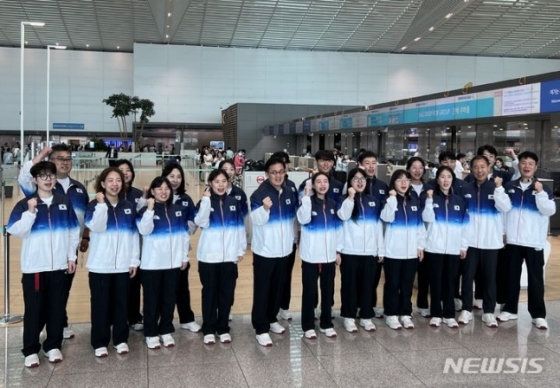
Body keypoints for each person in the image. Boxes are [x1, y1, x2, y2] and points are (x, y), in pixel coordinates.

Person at [7, 161, 80, 367]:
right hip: (35, 268)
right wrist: (30, 213)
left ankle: (53, 345)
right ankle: (30, 349)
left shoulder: (63, 201)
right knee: (35, 308)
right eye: (43, 176)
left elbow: (73, 231)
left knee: (56, 307)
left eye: (51, 175)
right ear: (35, 180)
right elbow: (15, 230)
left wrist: (71, 257)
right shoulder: (26, 204)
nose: (48, 179)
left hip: (58, 266)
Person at [19, 145, 90, 340]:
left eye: (68, 158)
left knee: (63, 288)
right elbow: (24, 178)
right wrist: (38, 157)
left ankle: (60, 322)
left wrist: (85, 237)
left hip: (69, 247)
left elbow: (84, 217)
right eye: (60, 158)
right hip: (43, 251)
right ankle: (40, 327)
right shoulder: (40, 184)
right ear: (51, 161)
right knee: (41, 293)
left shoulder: (78, 188)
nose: (65, 162)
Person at [494, 151, 556, 330]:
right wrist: (504, 232)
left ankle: (538, 315)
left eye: (530, 163)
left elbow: (549, 211)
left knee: (535, 280)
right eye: (523, 162)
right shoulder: (510, 186)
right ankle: (510, 309)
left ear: (535, 167)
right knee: (511, 277)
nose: (526, 166)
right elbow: (503, 209)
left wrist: (541, 193)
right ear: (519, 165)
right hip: (512, 241)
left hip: (534, 242)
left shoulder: (543, 189)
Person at [85, 168, 140, 357]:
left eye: (118, 180)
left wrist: (134, 260)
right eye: (110, 180)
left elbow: (134, 235)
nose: (115, 184)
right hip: (100, 265)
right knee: (100, 304)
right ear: (102, 184)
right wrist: (101, 205)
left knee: (121, 303)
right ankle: (100, 341)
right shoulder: (93, 206)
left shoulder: (129, 206)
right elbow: (96, 227)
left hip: (123, 265)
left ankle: (120, 339)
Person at [194, 169, 246, 344]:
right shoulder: (204, 202)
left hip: (229, 257)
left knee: (226, 293)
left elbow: (240, 227)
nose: (221, 185)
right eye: (216, 181)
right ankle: (208, 328)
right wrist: (206, 201)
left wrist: (240, 249)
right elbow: (201, 222)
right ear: (210, 183)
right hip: (209, 257)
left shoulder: (233, 202)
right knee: (209, 293)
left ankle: (223, 327)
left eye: (224, 181)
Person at [137, 177, 190, 349]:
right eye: (159, 188)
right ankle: (151, 332)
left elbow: (184, 236)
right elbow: (144, 230)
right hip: (151, 265)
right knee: (151, 300)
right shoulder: (144, 211)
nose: (163, 191)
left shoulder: (178, 210)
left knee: (169, 298)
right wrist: (150, 210)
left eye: (166, 188)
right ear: (152, 192)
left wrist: (184, 258)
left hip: (173, 264)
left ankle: (165, 329)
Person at [250, 157, 297, 347]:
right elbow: (256, 220)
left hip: (284, 250)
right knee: (262, 290)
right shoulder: (259, 194)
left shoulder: (288, 192)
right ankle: (261, 327)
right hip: (265, 251)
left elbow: (294, 218)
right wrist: (265, 208)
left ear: (285, 172)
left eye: (281, 172)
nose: (278, 175)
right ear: (267, 175)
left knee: (278, 288)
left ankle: (271, 318)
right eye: (273, 172)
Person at [458, 156, 507, 328]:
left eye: (483, 167)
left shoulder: (496, 188)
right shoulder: (465, 188)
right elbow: (461, 215)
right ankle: (466, 309)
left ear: (489, 168)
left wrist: (499, 189)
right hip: (470, 242)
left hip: (490, 242)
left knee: (489, 278)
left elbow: (505, 208)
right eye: (476, 167)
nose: (479, 170)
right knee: (467, 276)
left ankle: (488, 312)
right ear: (471, 169)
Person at [337, 167, 384, 333]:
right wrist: (350, 198)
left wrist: (380, 250)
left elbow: (378, 227)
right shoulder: (343, 200)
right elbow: (342, 217)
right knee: (349, 285)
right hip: (349, 251)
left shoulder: (374, 201)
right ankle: (349, 317)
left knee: (367, 285)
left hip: (369, 252)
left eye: (362, 179)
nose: (359, 181)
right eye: (356, 178)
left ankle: (366, 316)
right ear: (350, 182)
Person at [422, 166, 469, 328]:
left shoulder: (459, 201)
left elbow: (465, 226)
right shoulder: (431, 198)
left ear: (452, 180)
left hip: (453, 249)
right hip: (434, 248)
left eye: (449, 177)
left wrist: (463, 246)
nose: (445, 180)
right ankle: (435, 313)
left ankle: (449, 314)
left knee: (451, 282)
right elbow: (427, 219)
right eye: (442, 177)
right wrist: (428, 201)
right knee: (435, 282)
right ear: (437, 180)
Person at [297, 172, 342, 339]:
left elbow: (338, 229)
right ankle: (308, 325)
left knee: (328, 291)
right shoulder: (307, 202)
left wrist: (338, 250)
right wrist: (306, 199)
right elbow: (303, 219)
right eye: (318, 182)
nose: (322, 184)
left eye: (325, 181)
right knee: (309, 291)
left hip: (329, 256)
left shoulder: (333, 203)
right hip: (311, 256)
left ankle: (326, 323)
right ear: (313, 185)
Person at [381, 170, 426, 330]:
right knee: (392, 284)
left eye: (406, 180)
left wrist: (420, 246)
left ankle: (406, 313)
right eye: (399, 180)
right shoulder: (388, 200)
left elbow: (420, 226)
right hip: (393, 251)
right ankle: (391, 313)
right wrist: (392, 198)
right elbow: (387, 218)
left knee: (407, 284)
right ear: (393, 183)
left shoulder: (413, 201)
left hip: (411, 252)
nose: (404, 183)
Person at [162, 163, 201, 333]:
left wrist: (182, 229)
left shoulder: (185, 200)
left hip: (180, 252)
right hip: (159, 253)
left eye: (178, 177)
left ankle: (186, 318)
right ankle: (162, 321)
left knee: (181, 287)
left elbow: (193, 224)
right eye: (171, 176)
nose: (175, 180)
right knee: (162, 289)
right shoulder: (157, 197)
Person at [114, 159, 148, 331]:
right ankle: (116, 316)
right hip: (115, 246)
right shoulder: (110, 194)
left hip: (136, 244)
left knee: (134, 282)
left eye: (128, 170)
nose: (125, 173)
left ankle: (134, 316)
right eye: (121, 170)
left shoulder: (138, 194)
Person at [356, 151, 389, 318]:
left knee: (374, 275)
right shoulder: (352, 184)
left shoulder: (383, 186)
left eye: (373, 162)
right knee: (355, 278)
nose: (370, 166)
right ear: (360, 165)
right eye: (367, 163)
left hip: (377, 237)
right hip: (356, 240)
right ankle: (355, 305)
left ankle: (370, 306)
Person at [270, 151, 298, 321]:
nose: (281, 170)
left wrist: (297, 236)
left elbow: (296, 214)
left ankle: (284, 306)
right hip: (272, 242)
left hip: (290, 239)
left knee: (287, 274)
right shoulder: (267, 187)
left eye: (285, 165)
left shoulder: (292, 186)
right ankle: (271, 308)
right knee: (274, 276)